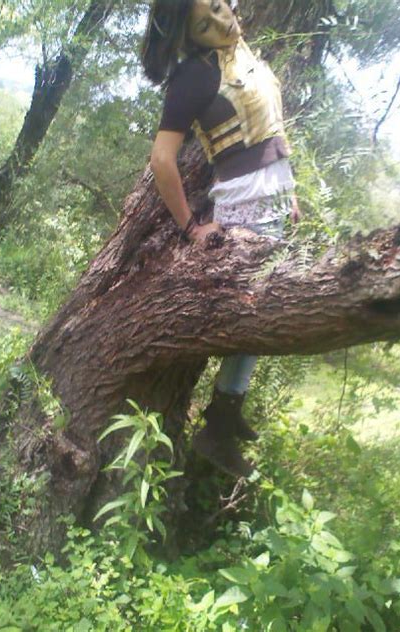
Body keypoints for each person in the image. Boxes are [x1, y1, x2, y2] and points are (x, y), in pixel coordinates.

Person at [141, 0, 300, 478]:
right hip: (246, 202)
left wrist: (290, 193)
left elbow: (271, 132)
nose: (220, 24)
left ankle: (224, 416)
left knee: (260, 307)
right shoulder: (195, 74)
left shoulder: (244, 54)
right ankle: (219, 423)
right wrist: (191, 227)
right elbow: (161, 161)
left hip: (272, 196)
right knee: (259, 308)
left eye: (217, 9)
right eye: (204, 26)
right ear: (192, 39)